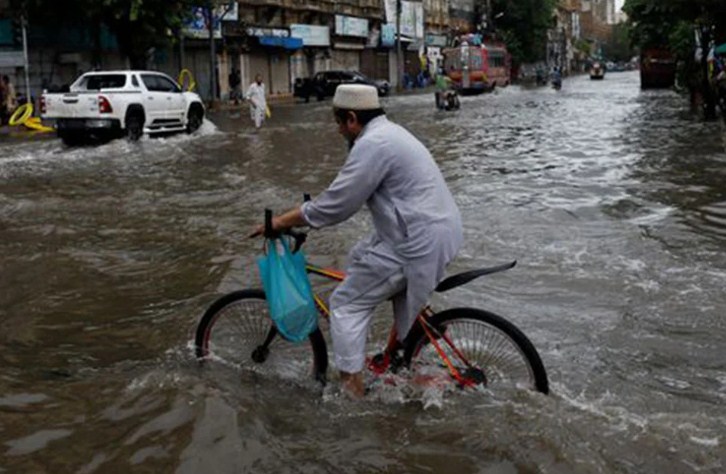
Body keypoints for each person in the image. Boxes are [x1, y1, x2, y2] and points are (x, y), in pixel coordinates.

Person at [250, 84, 463, 398]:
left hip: (415, 241)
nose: (338, 131)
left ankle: (353, 389)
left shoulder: (372, 144)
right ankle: (400, 362)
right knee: (360, 255)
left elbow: (336, 204)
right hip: (433, 231)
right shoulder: (391, 133)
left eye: (338, 123)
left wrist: (280, 221)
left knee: (345, 304)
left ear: (351, 118)